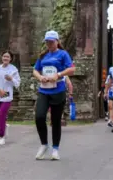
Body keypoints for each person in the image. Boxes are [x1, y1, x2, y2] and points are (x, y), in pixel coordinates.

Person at [32, 30, 75, 160]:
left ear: (57, 41)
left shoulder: (63, 54)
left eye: (52, 41)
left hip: (58, 91)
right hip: (44, 90)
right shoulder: (43, 55)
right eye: (47, 42)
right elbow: (35, 70)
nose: (49, 44)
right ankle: (44, 144)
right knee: (39, 117)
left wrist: (59, 75)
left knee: (55, 121)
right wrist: (40, 77)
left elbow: (72, 69)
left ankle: (55, 149)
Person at [0, 50, 21, 146]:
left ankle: (2, 136)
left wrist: (11, 79)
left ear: (10, 59)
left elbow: (17, 83)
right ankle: (4, 125)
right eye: (4, 56)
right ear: (2, 58)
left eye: (7, 57)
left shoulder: (13, 70)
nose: (5, 58)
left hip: (6, 94)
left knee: (2, 113)